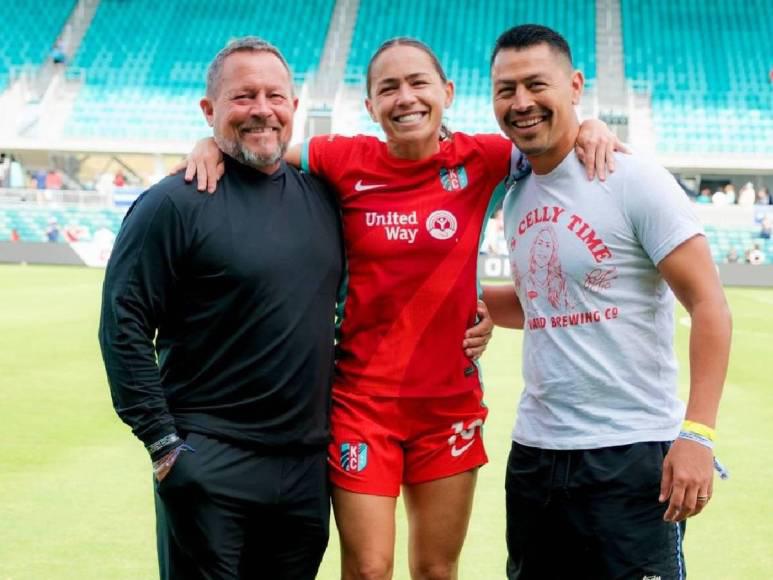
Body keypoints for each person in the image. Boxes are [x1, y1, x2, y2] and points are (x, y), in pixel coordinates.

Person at [182, 35, 623, 579]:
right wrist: (208, 144)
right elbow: (259, 149)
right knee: (368, 569)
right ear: (370, 105)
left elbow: (554, 137)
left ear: (447, 92)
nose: (404, 97)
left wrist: (594, 127)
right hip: (362, 405)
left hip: (448, 407)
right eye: (387, 88)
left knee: (436, 570)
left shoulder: (483, 157)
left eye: (418, 83)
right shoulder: (341, 157)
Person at [481, 24, 732, 579]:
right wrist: (462, 303)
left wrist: (698, 433)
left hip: (632, 454)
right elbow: (539, 303)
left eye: (535, 84)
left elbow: (708, 304)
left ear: (574, 85)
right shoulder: (518, 190)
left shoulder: (633, 179)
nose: (521, 102)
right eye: (505, 90)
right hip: (536, 455)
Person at [99, 38, 348, 579]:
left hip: (306, 470)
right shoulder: (173, 203)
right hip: (209, 462)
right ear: (209, 111)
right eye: (243, 97)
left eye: (274, 95)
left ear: (294, 107)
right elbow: (123, 326)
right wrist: (165, 446)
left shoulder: (325, 199)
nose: (262, 108)